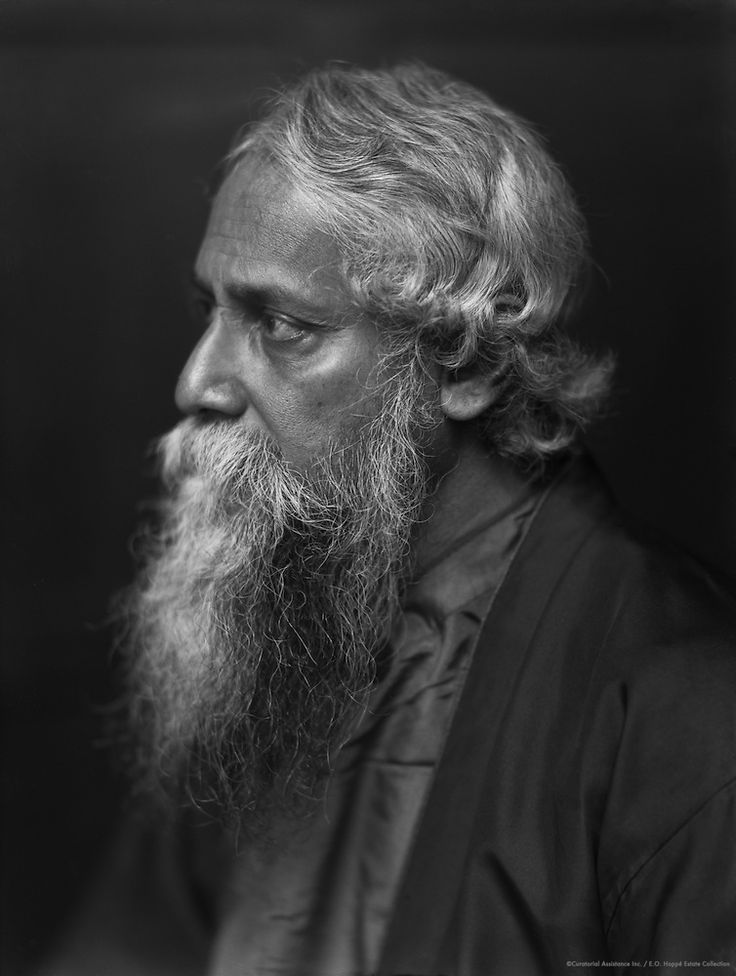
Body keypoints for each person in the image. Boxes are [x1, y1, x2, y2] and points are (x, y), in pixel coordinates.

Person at [43, 62, 736, 976]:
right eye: (209, 310)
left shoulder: (686, 710)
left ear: (464, 363)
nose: (196, 383)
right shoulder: (255, 634)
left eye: (282, 324)